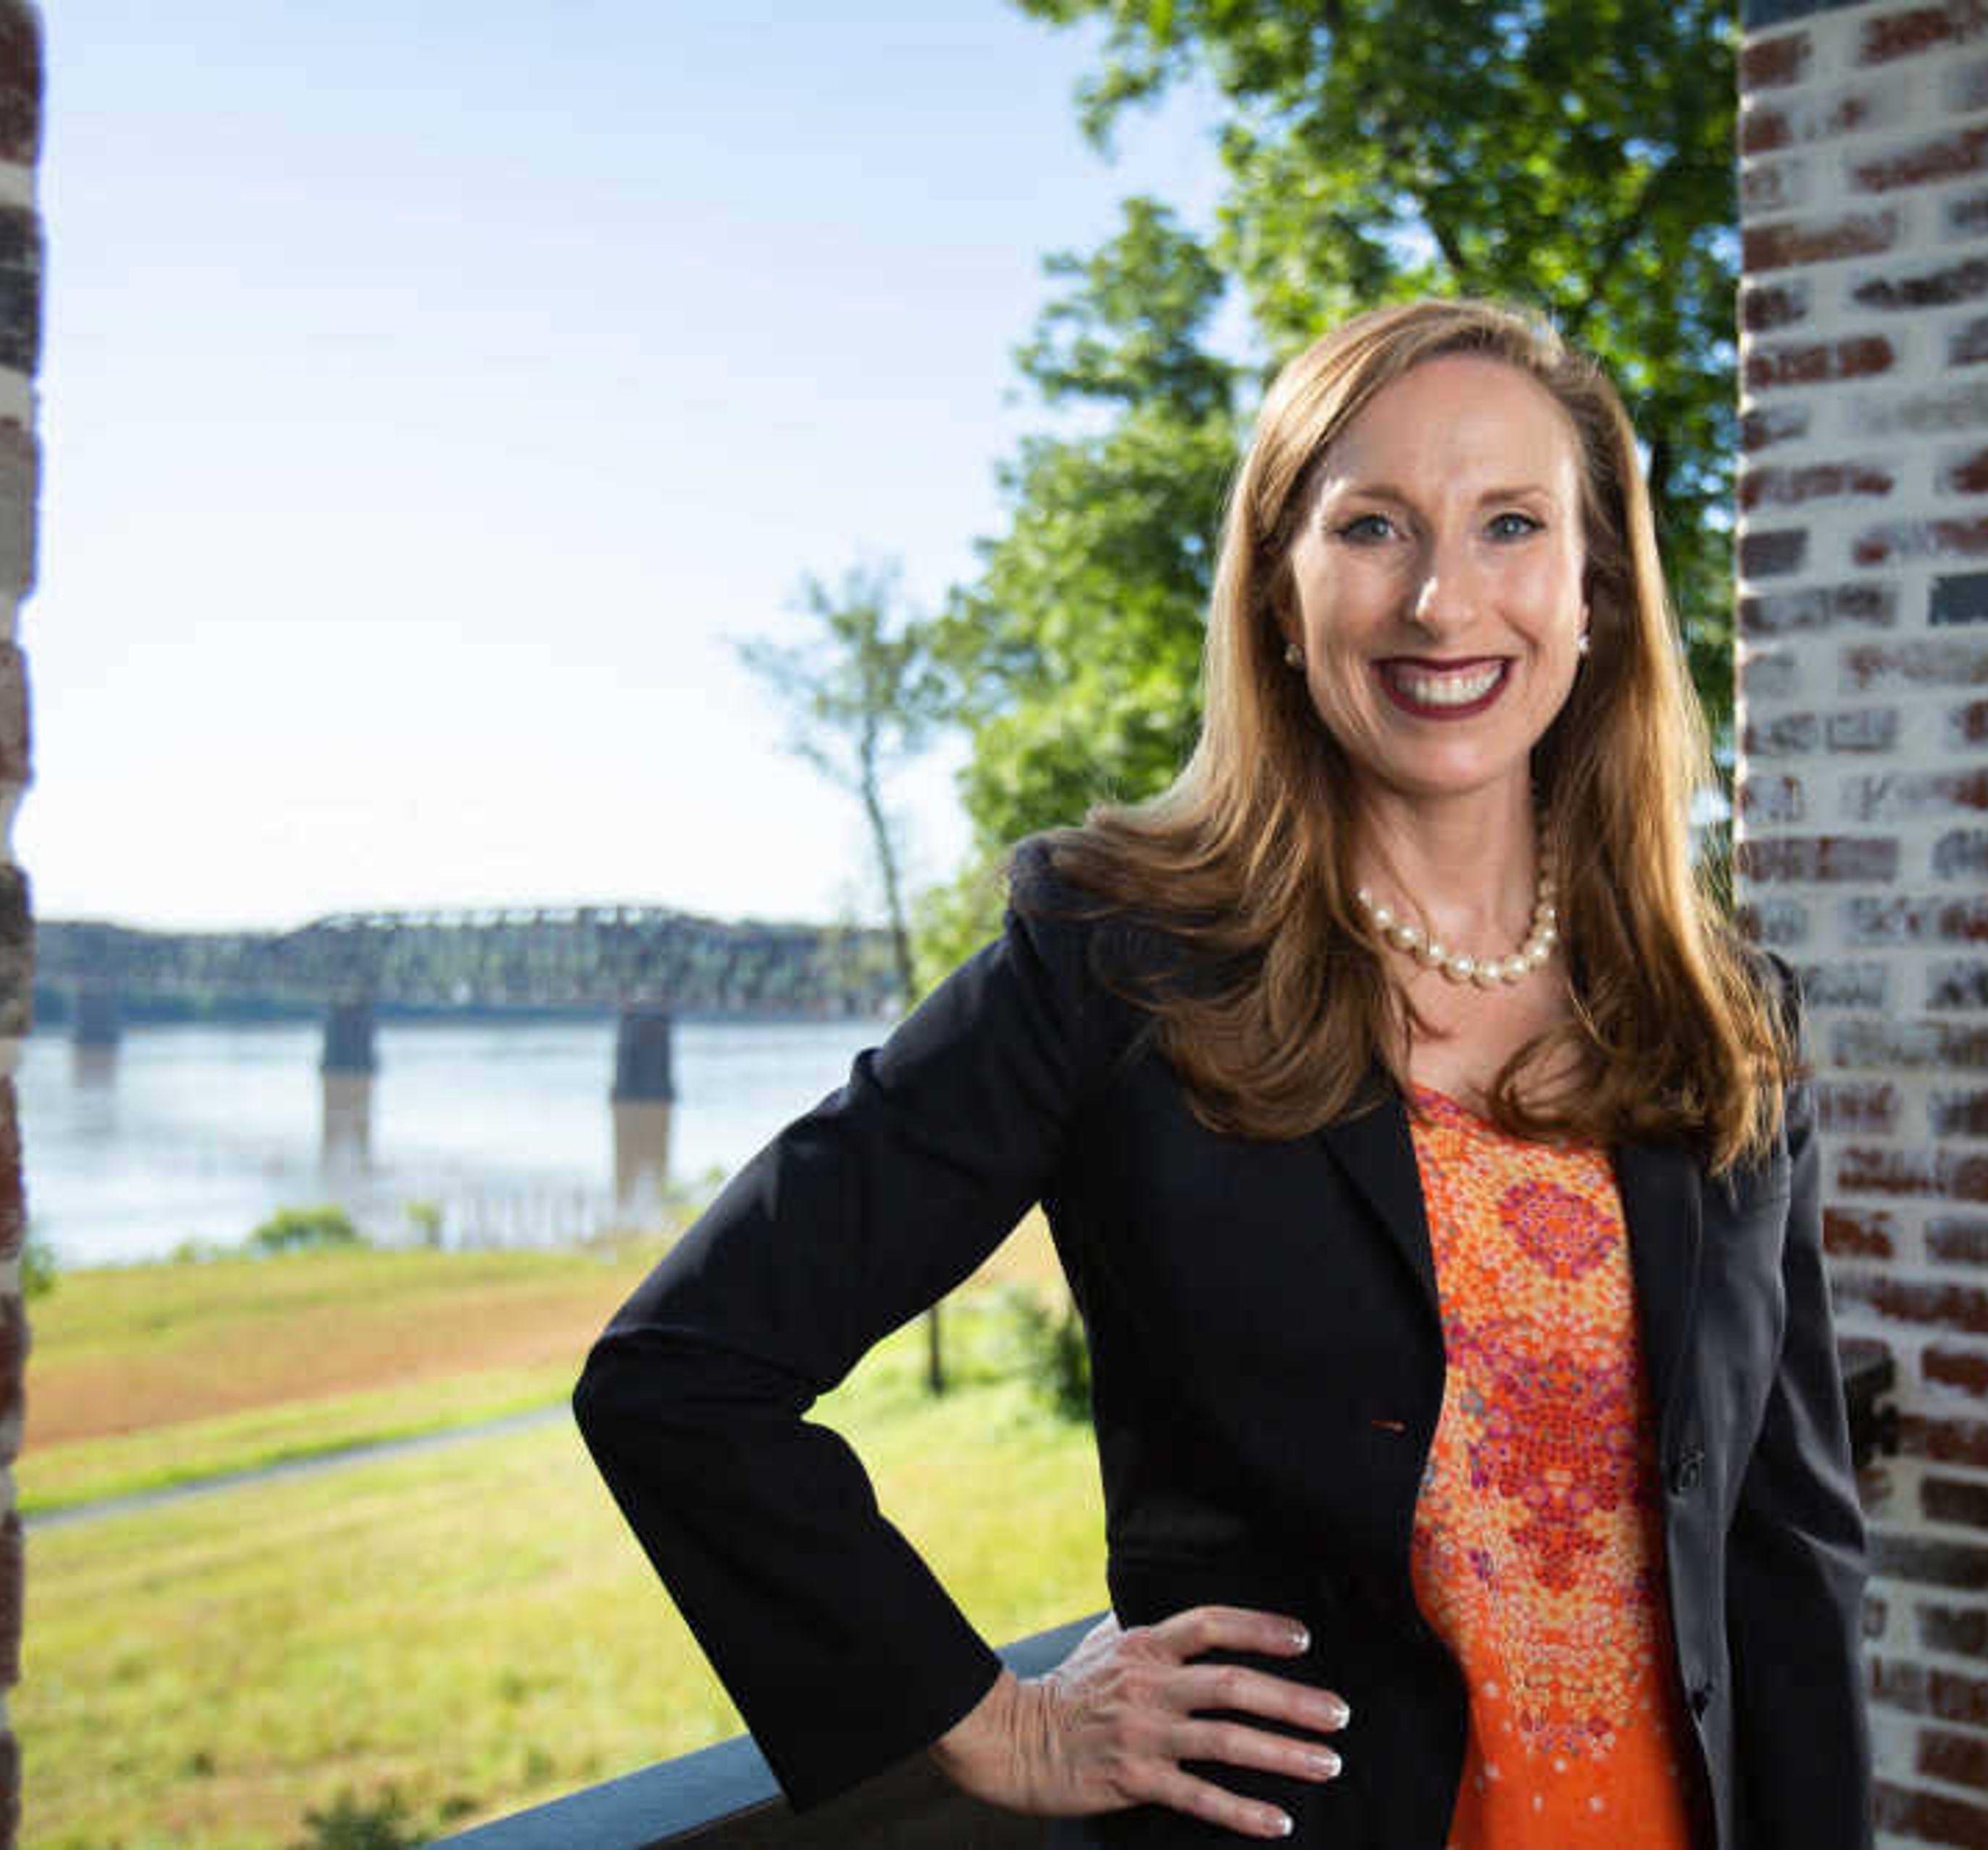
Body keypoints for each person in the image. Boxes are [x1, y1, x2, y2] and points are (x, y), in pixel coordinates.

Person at [574, 298, 1871, 1846]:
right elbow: (682, 1374)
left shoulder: (1721, 1016)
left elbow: (1788, 1554)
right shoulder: (1118, 961)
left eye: (1512, 523)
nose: (1444, 599)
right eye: (1372, 527)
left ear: (1594, 590)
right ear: (1278, 590)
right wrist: (995, 1724)